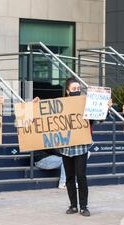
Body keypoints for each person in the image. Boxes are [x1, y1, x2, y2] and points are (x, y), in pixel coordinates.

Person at [33, 77, 112, 217]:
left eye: (78, 89)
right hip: (66, 147)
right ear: (68, 91)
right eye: (74, 89)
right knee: (69, 177)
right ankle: (73, 205)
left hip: (81, 145)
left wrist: (105, 107)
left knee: (81, 176)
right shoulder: (60, 105)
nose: (76, 91)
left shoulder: (86, 104)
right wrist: (35, 106)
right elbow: (45, 116)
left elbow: (99, 117)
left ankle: (84, 206)